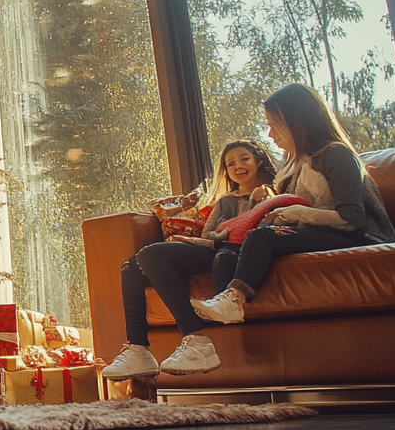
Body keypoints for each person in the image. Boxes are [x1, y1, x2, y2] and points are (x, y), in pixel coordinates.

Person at [191, 83, 395, 327]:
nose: (269, 134)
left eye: (273, 124)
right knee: (229, 254)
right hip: (319, 234)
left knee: (261, 238)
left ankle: (233, 300)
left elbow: (353, 218)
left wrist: (298, 213)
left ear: (296, 121)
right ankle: (220, 332)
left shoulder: (336, 155)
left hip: (359, 235)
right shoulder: (293, 166)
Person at [103, 139, 278, 380]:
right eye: (230, 163)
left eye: (244, 159)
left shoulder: (273, 193)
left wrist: (260, 200)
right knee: (135, 264)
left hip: (239, 252)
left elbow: (273, 229)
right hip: (214, 247)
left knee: (150, 256)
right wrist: (215, 235)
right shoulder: (225, 200)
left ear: (259, 161)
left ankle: (196, 339)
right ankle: (138, 349)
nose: (238, 166)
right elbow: (209, 234)